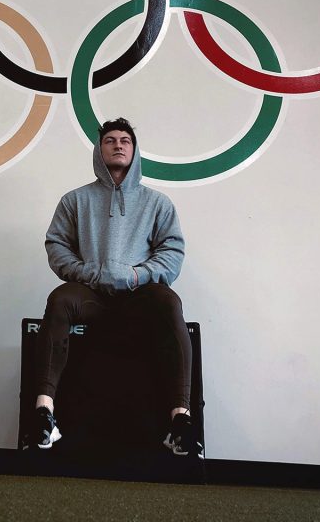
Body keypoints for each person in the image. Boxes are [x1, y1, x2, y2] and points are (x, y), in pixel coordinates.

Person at [32, 117, 200, 457]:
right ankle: (44, 413)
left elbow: (172, 253)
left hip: (138, 295)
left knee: (169, 302)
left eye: (125, 140)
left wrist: (136, 275)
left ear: (135, 151)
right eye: (110, 140)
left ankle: (180, 420)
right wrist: (88, 272)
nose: (118, 145)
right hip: (92, 293)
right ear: (100, 149)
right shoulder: (75, 200)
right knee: (59, 300)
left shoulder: (157, 203)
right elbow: (56, 245)